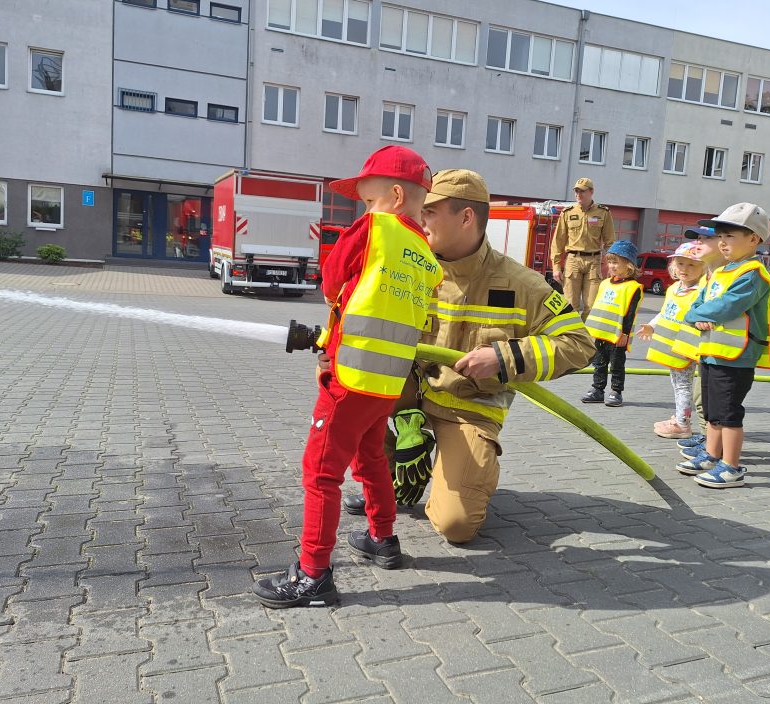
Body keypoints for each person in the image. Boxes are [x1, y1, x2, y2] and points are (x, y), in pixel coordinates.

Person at [343, 169, 596, 544]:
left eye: (429, 211)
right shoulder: (408, 269)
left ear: (466, 217)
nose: (417, 218)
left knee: (456, 525)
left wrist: (504, 357)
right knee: (349, 397)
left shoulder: (522, 284)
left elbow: (579, 343)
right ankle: (391, 473)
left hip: (469, 407)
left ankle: (465, 471)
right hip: (409, 394)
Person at [251, 145, 442, 609]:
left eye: (370, 199)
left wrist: (335, 340)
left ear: (396, 195)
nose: (366, 208)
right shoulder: (426, 255)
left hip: (350, 379)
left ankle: (313, 575)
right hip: (387, 384)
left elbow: (332, 282)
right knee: (371, 457)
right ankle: (382, 539)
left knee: (320, 473)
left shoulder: (373, 228)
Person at [673, 203, 770, 488]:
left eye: (729, 236)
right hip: (713, 352)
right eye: (720, 236)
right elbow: (700, 300)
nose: (722, 242)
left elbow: (727, 305)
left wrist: (696, 315)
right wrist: (696, 314)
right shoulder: (721, 272)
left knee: (729, 412)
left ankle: (732, 467)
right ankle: (712, 455)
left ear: (754, 239)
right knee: (712, 411)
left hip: (736, 356)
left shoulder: (752, 273)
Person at [637, 241, 707, 439]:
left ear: (703, 268)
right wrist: (652, 325)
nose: (684, 269)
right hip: (671, 347)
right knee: (677, 383)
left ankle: (682, 424)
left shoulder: (701, 292)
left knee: (683, 385)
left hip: (686, 348)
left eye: (691, 264)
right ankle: (680, 417)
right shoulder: (674, 288)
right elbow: (665, 312)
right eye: (680, 264)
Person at [676, 226, 728, 458]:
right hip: (706, 348)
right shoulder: (712, 274)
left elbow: (719, 308)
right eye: (698, 238)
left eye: (705, 238)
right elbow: (696, 309)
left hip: (724, 352)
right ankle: (708, 439)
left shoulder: (728, 274)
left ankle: (714, 447)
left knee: (715, 404)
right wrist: (698, 315)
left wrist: (699, 315)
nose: (698, 243)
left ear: (723, 242)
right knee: (702, 398)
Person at [580, 240, 642, 407]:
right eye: (610, 262)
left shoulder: (633, 287)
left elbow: (630, 313)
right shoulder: (605, 283)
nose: (611, 266)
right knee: (599, 363)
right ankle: (597, 389)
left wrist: (625, 334)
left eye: (616, 262)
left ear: (629, 264)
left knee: (617, 365)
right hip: (601, 334)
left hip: (617, 336)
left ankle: (616, 391)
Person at [549, 178, 615, 319]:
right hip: (573, 261)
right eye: (576, 191)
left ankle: (586, 333)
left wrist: (611, 265)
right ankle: (572, 332)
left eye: (582, 191)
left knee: (592, 306)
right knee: (570, 306)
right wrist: (556, 267)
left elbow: (610, 242)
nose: (578, 194)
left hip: (594, 262)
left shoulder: (603, 212)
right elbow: (558, 241)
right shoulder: (567, 212)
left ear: (591, 192)